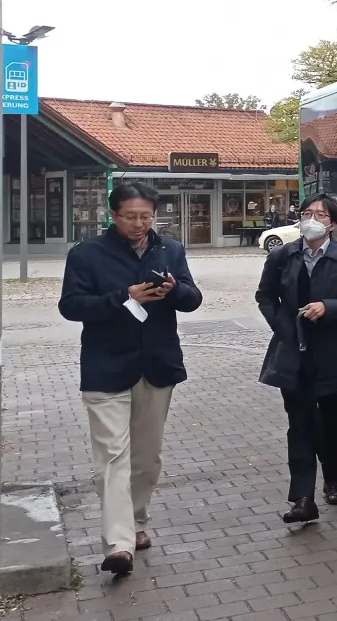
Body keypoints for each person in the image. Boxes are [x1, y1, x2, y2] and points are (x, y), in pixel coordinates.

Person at [59, 181, 203, 576]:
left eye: (146, 216)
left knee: (146, 458)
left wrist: (174, 291)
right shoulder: (87, 254)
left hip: (157, 367)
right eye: (130, 217)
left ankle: (138, 521)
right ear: (113, 214)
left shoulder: (169, 248)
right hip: (106, 368)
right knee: (112, 458)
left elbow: (193, 299)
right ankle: (118, 545)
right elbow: (70, 306)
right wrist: (124, 298)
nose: (139, 224)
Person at [254, 194, 337, 524]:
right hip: (293, 353)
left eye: (319, 214)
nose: (311, 219)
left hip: (331, 355)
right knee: (299, 424)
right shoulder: (282, 256)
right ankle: (303, 497)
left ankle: (333, 480)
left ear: (332, 222)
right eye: (306, 213)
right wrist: (284, 326)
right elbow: (265, 296)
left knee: (330, 422)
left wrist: (327, 307)